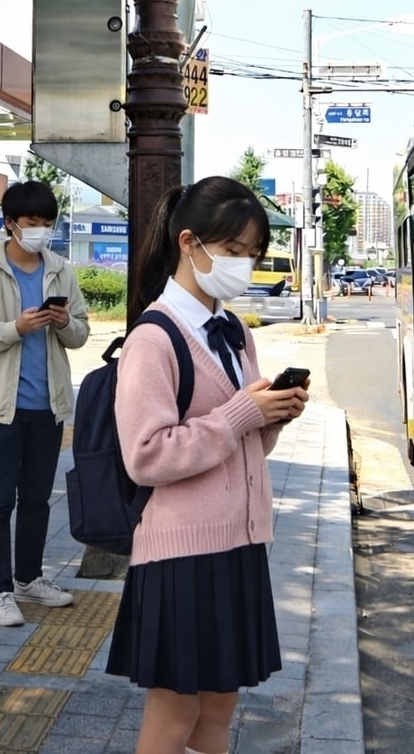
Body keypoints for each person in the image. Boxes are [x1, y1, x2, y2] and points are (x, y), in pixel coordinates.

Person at [106, 176, 309, 754]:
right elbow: (146, 455)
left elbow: (241, 445)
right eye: (233, 252)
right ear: (189, 243)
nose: (244, 265)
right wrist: (241, 415)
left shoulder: (235, 330)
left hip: (239, 543)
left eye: (252, 254)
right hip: (181, 552)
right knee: (175, 717)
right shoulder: (155, 337)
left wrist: (271, 418)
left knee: (218, 713)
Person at [0, 180, 90, 627]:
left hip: (47, 406)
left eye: (48, 224)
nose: (41, 232)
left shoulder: (61, 271)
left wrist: (65, 321)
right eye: (33, 224)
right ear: (10, 223)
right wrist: (15, 327)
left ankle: (29, 577)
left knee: (36, 499)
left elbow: (82, 333)